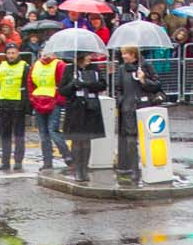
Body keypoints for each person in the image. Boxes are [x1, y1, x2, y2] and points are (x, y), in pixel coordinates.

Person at [109, 45, 165, 184]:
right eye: (122, 54)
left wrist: (143, 80)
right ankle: (135, 169)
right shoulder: (122, 69)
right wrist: (121, 101)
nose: (123, 56)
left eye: (125, 54)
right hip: (128, 109)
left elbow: (157, 85)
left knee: (147, 140)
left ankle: (150, 167)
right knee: (131, 140)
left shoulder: (146, 66)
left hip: (145, 107)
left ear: (133, 54)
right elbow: (118, 88)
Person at [60, 52, 107, 180]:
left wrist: (86, 84)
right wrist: (72, 84)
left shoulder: (94, 68)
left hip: (91, 109)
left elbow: (103, 85)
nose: (90, 58)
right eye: (87, 56)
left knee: (87, 140)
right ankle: (77, 170)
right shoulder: (69, 69)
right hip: (75, 109)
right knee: (76, 140)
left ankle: (84, 169)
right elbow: (62, 90)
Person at [0, 42, 29, 171]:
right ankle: (5, 162)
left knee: (19, 135)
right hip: (4, 103)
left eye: (13, 53)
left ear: (18, 53)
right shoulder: (1, 66)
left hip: (18, 104)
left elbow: (27, 86)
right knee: (5, 135)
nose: (11, 55)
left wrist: (27, 105)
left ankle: (18, 161)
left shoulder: (24, 66)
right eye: (8, 53)